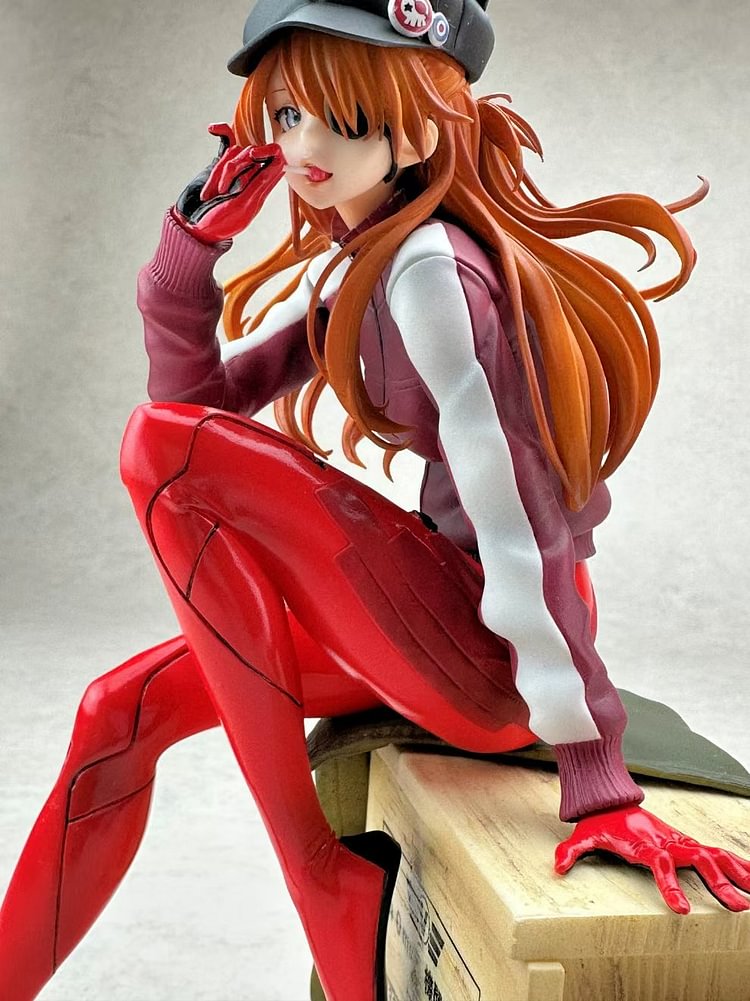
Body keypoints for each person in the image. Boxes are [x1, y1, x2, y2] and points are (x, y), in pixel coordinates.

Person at [1, 2, 748, 999]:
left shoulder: (433, 274)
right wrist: (184, 264)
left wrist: (595, 768)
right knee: (116, 711)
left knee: (156, 448)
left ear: (425, 124)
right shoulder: (375, 258)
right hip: (432, 620)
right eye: (288, 114)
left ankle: (317, 872)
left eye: (345, 120)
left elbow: (520, 520)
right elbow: (200, 412)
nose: (304, 147)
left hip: (494, 649)